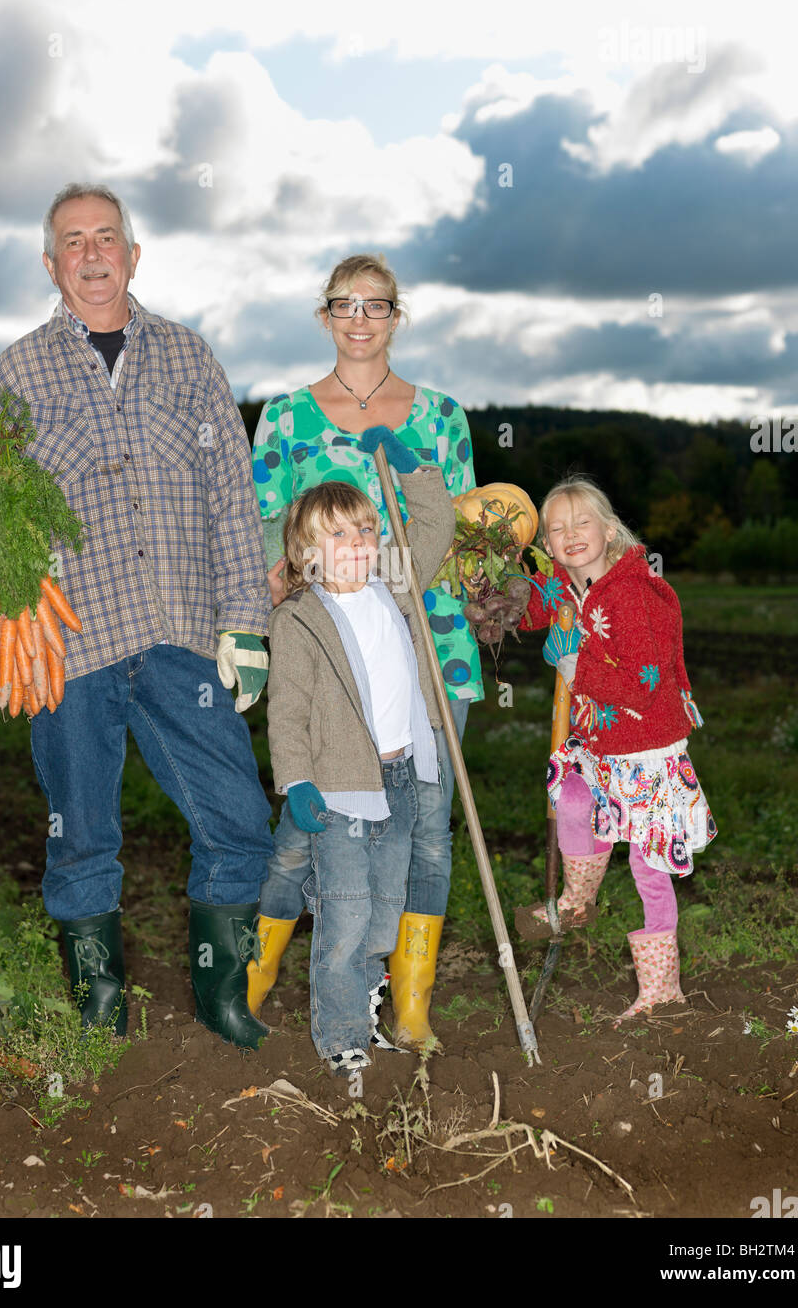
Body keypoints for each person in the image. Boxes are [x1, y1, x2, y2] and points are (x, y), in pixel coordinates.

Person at [0, 182, 274, 1048]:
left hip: (181, 633)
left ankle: (221, 996)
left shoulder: (188, 359)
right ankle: (99, 998)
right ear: (52, 263)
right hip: (69, 642)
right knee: (82, 831)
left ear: (133, 256)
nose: (92, 254)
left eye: (107, 237)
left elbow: (232, 501)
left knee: (239, 819)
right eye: (73, 241)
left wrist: (246, 620)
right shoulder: (15, 374)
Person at [247, 254, 480, 1048]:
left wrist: (397, 566)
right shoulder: (283, 416)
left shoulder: (441, 415)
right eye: (344, 305)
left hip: (426, 645)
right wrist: (266, 607)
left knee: (424, 832)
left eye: (375, 305)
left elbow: (453, 530)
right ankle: (260, 970)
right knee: (302, 830)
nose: (359, 318)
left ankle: (406, 1002)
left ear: (395, 315)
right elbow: (262, 534)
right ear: (324, 316)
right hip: (330, 652)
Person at [265, 426, 455, 1073]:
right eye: (339, 534)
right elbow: (285, 710)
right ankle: (341, 1037)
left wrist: (413, 473)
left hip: (398, 778)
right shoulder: (297, 618)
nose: (359, 544)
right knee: (346, 923)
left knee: (384, 917)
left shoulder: (391, 590)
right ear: (306, 552)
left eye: (366, 530)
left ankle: (358, 996)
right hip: (340, 787)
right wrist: (297, 783)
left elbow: (432, 527)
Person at [521, 477, 716, 1024]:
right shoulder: (564, 583)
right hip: (599, 742)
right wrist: (496, 584)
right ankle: (577, 900)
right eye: (556, 528)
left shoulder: (632, 593)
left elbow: (644, 685)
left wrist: (577, 670)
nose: (569, 534)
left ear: (608, 530)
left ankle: (661, 990)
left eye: (582, 522)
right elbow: (528, 610)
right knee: (573, 796)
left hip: (648, 746)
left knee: (649, 868)